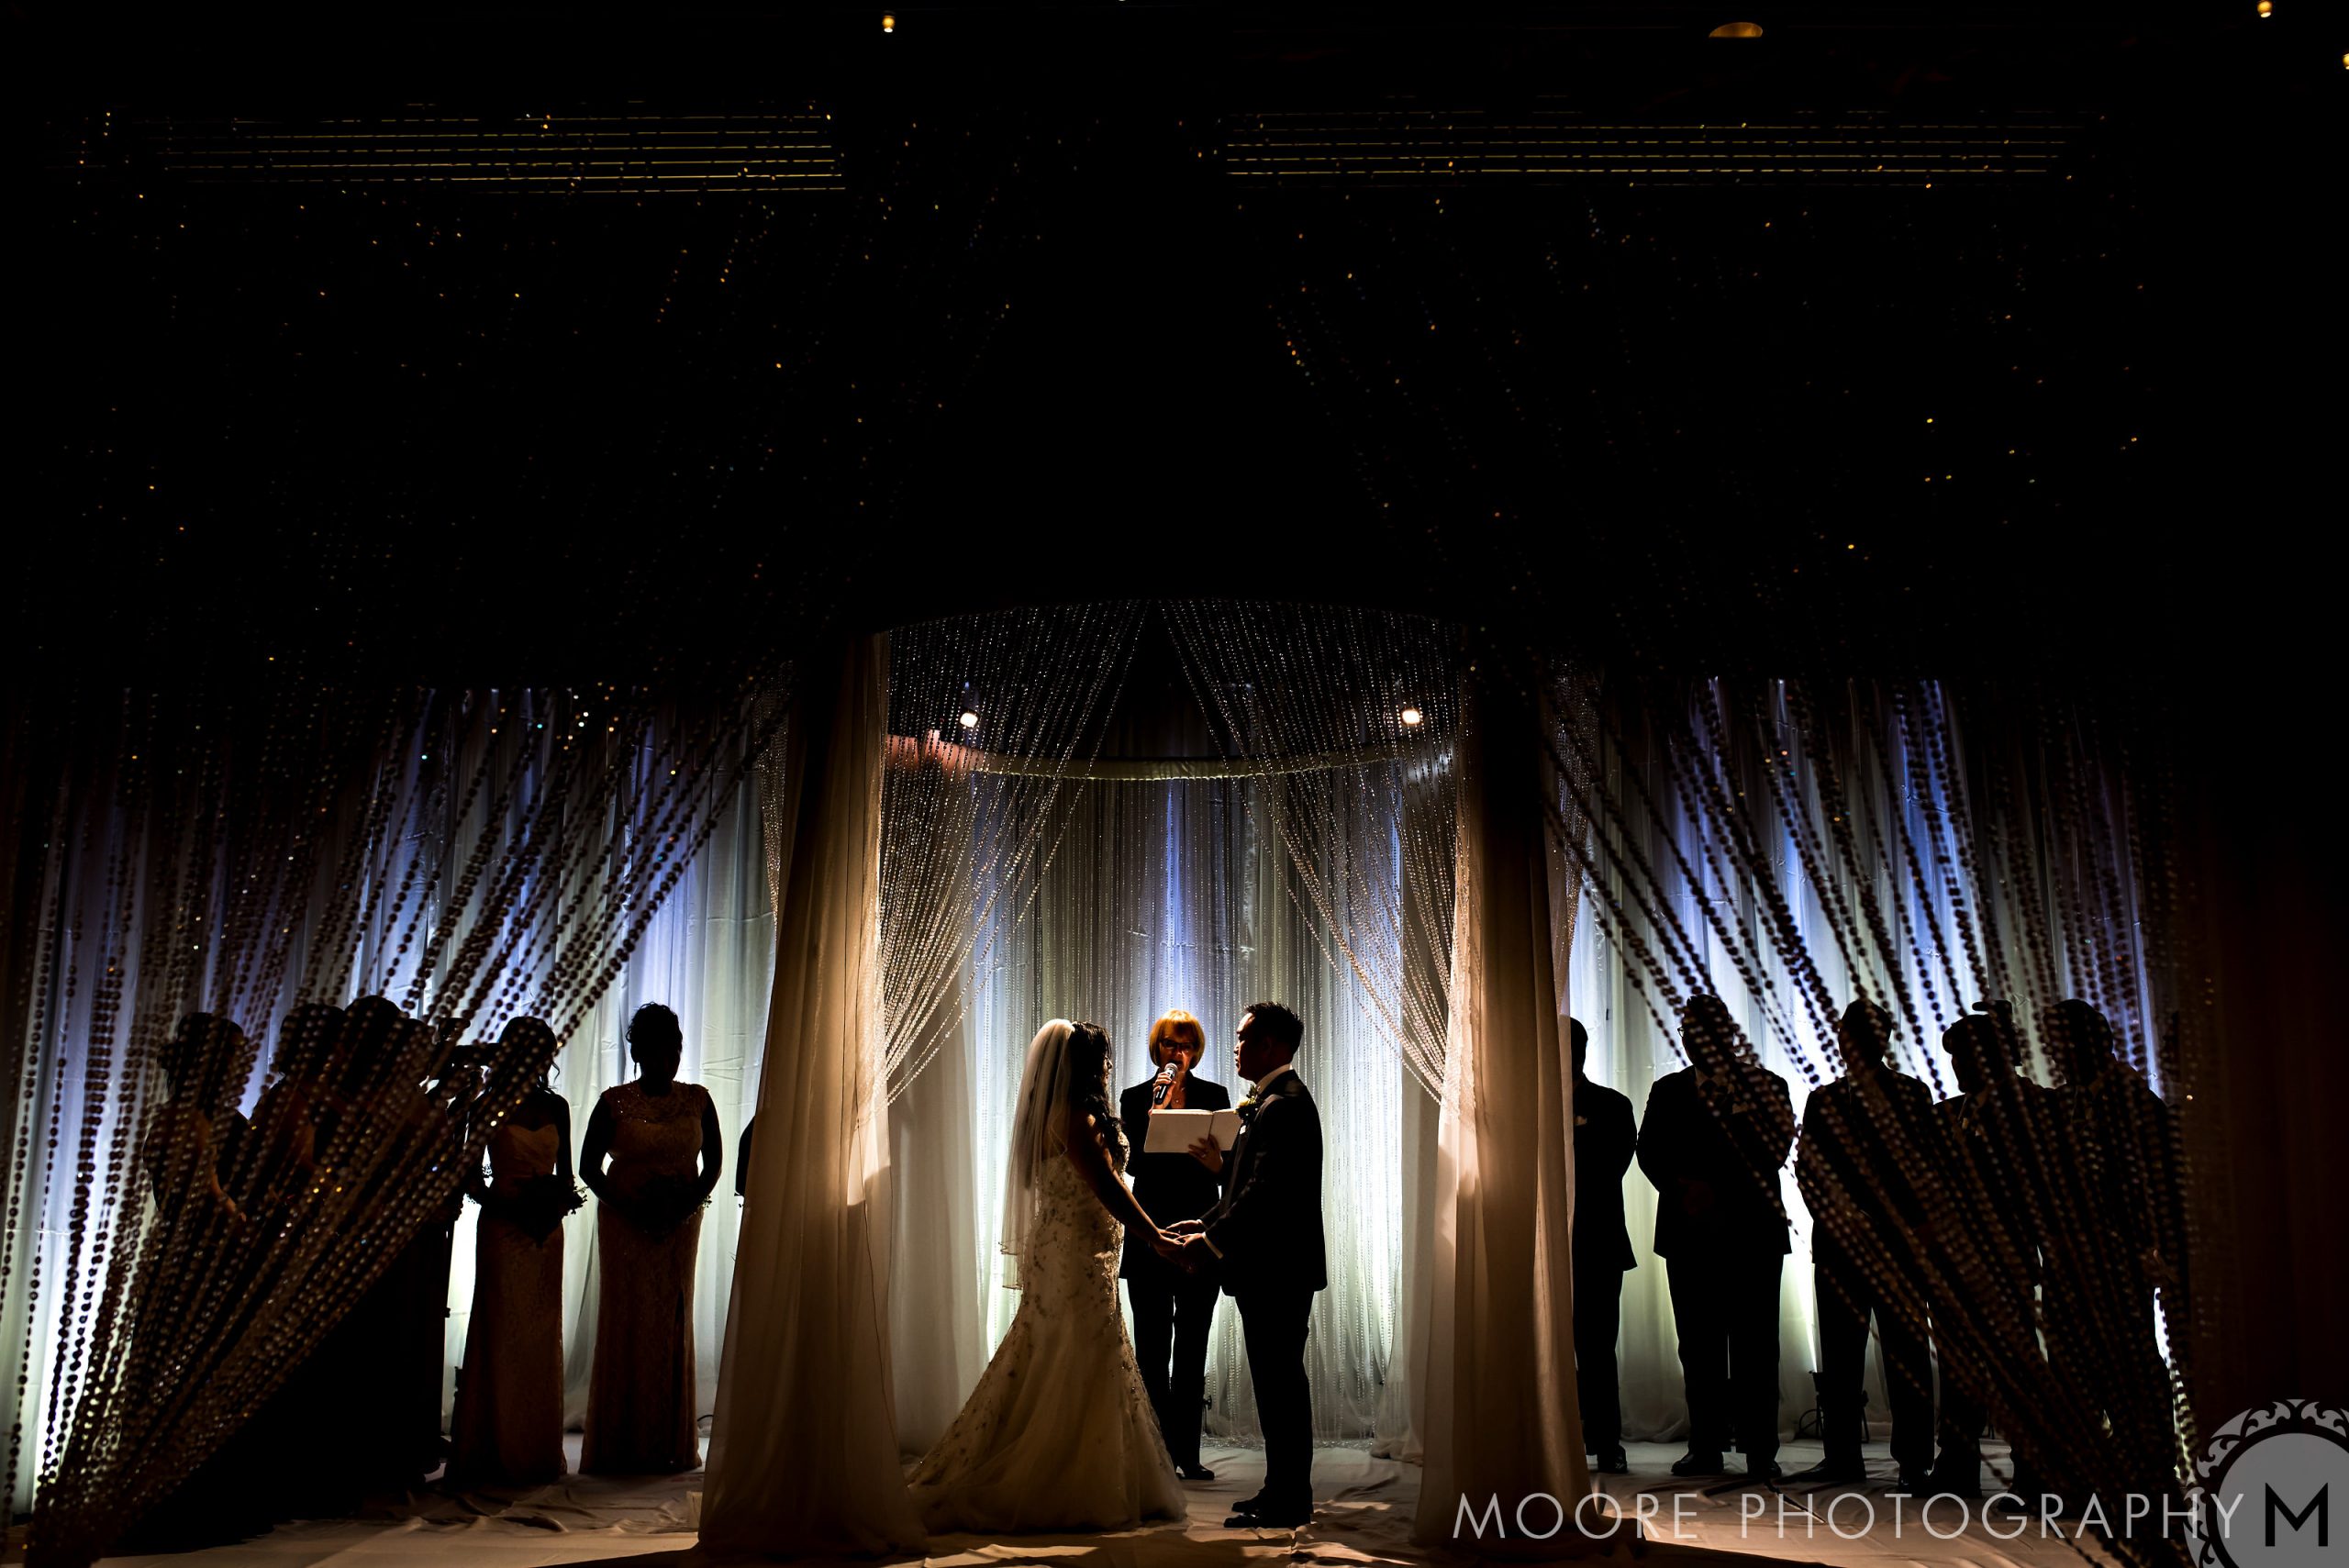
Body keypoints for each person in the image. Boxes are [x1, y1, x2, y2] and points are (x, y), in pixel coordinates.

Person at [907, 1020, 1186, 1533]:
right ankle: (1062, 1477)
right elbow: (1108, 1188)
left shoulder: (1060, 1115)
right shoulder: (1076, 1119)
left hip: (1072, 1248)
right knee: (1078, 1350)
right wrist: (1155, 1236)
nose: (1108, 1067)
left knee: (1058, 1350)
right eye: (1102, 1060)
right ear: (1084, 1066)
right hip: (1074, 1253)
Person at [1173, 1002, 1327, 1529]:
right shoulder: (1273, 1102)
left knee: (1281, 1385)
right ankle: (1280, 1488)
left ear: (1269, 1046)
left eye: (1242, 1038)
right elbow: (1243, 1185)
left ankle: (1290, 1498)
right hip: (1271, 1269)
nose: (1234, 1047)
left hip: (1278, 1271)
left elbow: (1265, 1195)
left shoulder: (1283, 1106)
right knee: (1275, 1384)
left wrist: (1210, 1243)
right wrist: (1204, 1223)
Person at [1636, 995, 1797, 1482]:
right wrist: (1684, 1188)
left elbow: (1775, 1146)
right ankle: (1705, 1446)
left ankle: (1759, 1450)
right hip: (1689, 1235)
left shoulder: (1768, 1086)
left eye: (1706, 1033)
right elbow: (1649, 1152)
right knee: (1698, 1347)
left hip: (1753, 1235)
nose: (1695, 1043)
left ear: (1728, 1034)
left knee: (1756, 1347)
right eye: (1687, 1034)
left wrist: (1713, 1185)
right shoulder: (1667, 1092)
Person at [1791, 998, 1938, 1489]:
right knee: (1839, 1358)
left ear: (1885, 1039)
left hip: (1899, 1247)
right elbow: (1807, 1167)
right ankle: (1842, 1458)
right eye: (1848, 1035)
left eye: (1867, 1035)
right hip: (1839, 1246)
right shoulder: (1823, 1099)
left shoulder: (1914, 1095)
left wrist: (1905, 1223)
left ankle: (1915, 1461)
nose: (1854, 1044)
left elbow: (1927, 1168)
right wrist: (1837, 1214)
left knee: (1907, 1357)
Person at [2043, 998, 2183, 1504]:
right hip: (2066, 1255)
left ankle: (2147, 1473)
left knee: (2131, 1365)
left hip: (2117, 1256)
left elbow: (2151, 1184)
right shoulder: (2060, 1104)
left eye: (2061, 1042)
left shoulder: (2136, 1105)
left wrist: (2145, 1246)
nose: (2055, 1053)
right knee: (2072, 1366)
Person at [580, 1002, 723, 1474]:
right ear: (639, 1051)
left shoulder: (699, 1099)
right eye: (659, 1049)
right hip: (625, 1224)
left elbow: (715, 1165)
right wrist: (631, 1206)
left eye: (675, 1048)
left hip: (681, 1224)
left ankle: (668, 1440)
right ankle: (622, 1441)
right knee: (627, 1318)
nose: (669, 1058)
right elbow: (587, 1167)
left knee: (671, 1318)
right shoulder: (613, 1102)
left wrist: (684, 1205)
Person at [1928, 1003, 2061, 1498]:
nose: (1956, 1067)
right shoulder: (1947, 1114)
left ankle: (2032, 1470)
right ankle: (1956, 1464)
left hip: (2005, 1258)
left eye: (1963, 1057)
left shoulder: (2034, 1108)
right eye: (1955, 1058)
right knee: (1958, 1367)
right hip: (1953, 1260)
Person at [449, 1018, 573, 1486]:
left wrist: (553, 1206)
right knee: (501, 1331)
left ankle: (535, 1446)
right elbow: (468, 1176)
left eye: (542, 1053)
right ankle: (494, 1446)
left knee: (540, 1336)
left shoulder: (558, 1107)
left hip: (546, 1232)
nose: (536, 1062)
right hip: (502, 1227)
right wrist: (509, 1204)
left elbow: (566, 1173)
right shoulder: (486, 1106)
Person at [1119, 1008, 1230, 1482]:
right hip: (1149, 1233)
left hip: (1200, 1233)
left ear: (1197, 1051)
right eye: (1169, 1044)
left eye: (1186, 1045)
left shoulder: (1215, 1097)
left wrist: (1217, 1166)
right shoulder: (1133, 1098)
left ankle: (1187, 1452)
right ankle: (1153, 1454)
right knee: (1150, 1349)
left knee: (1191, 1349)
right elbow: (1133, 1168)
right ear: (1156, 1049)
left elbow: (1231, 1169)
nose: (1178, 1053)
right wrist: (1158, 1113)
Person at [1569, 1017, 1636, 1475]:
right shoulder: (1526, 1106)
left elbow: (1612, 1166)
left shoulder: (1613, 1104)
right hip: (1545, 1244)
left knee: (1597, 1346)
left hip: (1597, 1239)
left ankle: (1607, 1440)